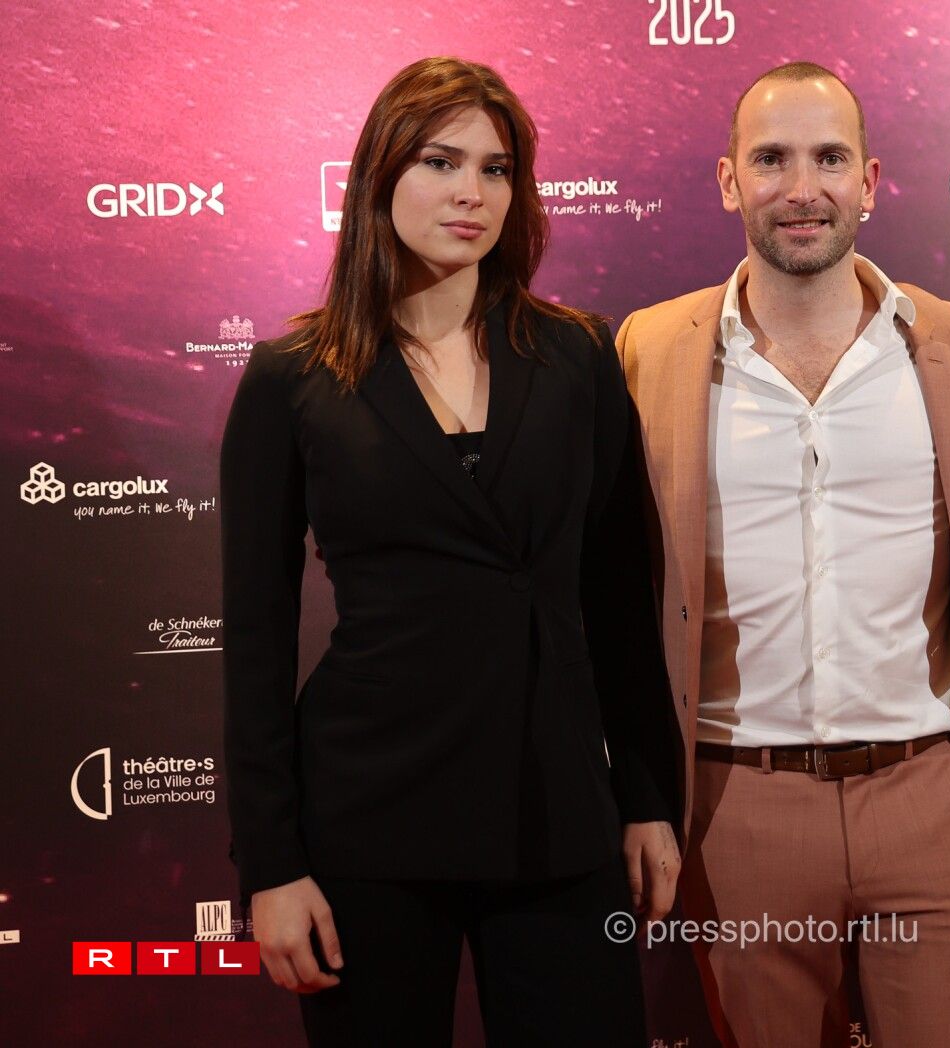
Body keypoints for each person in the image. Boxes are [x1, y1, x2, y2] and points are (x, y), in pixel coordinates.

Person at [220, 56, 680, 1046]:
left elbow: (617, 601)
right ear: (381, 174)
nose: (472, 191)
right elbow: (254, 638)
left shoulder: (576, 355)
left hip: (557, 813)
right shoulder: (292, 376)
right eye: (440, 161)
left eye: (496, 168)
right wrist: (270, 862)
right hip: (368, 820)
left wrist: (647, 798)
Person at [613, 61, 950, 1048]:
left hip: (929, 793)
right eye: (771, 159)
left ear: (869, 181)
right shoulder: (649, 350)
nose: (802, 188)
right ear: (729, 180)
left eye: (829, 158)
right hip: (739, 805)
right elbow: (616, 582)